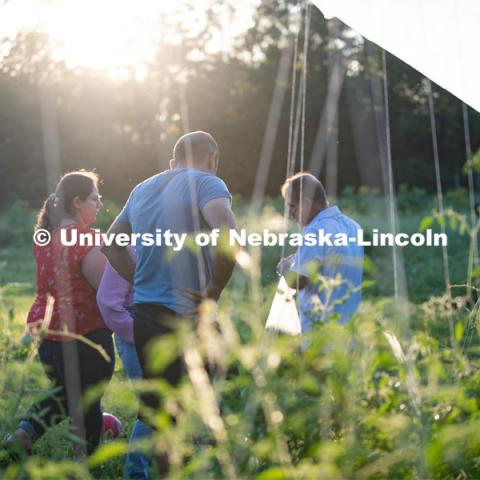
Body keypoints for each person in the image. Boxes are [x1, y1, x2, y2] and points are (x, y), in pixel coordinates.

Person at [101, 131, 236, 474]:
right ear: (213, 158)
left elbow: (112, 244)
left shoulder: (142, 189)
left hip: (146, 314)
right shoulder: (208, 182)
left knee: (162, 414)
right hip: (190, 313)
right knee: (217, 401)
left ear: (173, 163)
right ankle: (217, 468)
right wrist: (214, 290)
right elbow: (229, 237)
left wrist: (141, 281)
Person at [5, 171, 114, 457]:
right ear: (77, 202)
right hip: (84, 331)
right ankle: (84, 462)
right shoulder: (88, 239)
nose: (99, 204)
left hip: (45, 331)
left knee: (64, 393)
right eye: (94, 198)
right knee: (87, 398)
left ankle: (23, 434)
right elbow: (104, 287)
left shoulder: (45, 237)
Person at [277, 172, 363, 333]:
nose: (289, 214)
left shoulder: (315, 231)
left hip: (321, 331)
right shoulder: (353, 226)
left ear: (307, 204)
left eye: (292, 206)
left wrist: (285, 268)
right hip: (351, 328)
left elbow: (299, 281)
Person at [97, 246, 153, 480]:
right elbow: (108, 301)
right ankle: (136, 471)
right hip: (138, 331)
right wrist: (138, 333)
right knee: (153, 406)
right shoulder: (132, 247)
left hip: (167, 330)